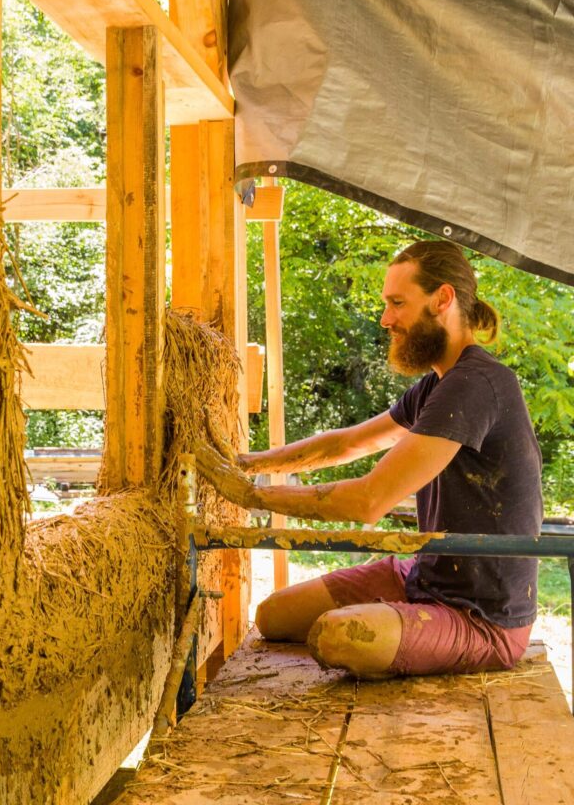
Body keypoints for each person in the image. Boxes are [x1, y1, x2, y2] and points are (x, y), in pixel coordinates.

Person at [216, 240, 543, 679]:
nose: (386, 319)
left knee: (338, 637)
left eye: (397, 303)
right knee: (274, 616)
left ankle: (401, 628)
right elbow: (347, 444)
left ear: (442, 299)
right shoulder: (438, 385)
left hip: (482, 617)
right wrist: (245, 464)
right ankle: (401, 618)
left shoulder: (477, 383)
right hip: (423, 577)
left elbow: (369, 500)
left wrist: (254, 499)